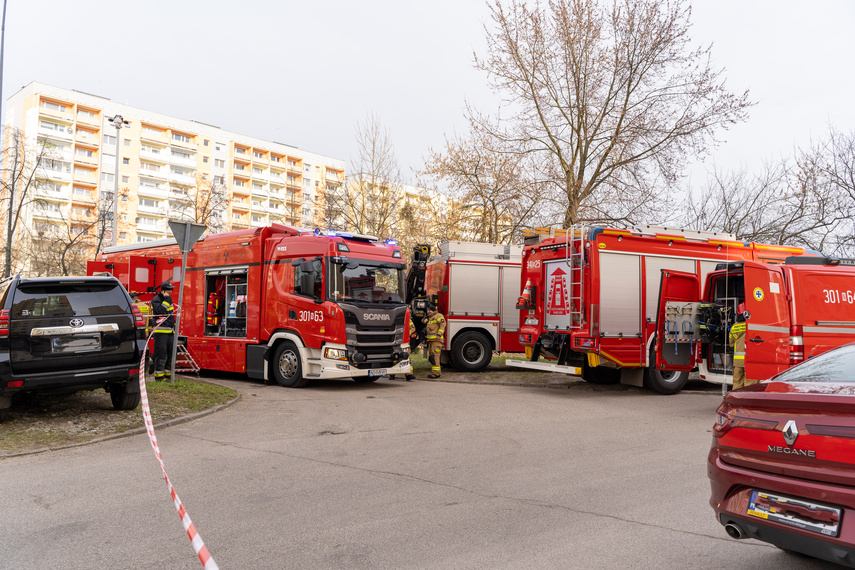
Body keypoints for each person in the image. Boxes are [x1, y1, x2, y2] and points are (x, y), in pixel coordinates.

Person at [151, 281, 176, 382]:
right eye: (169, 290)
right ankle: (159, 377)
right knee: (161, 355)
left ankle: (168, 376)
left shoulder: (168, 299)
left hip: (170, 332)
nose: (171, 291)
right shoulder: (156, 300)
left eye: (171, 289)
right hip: (161, 332)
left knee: (170, 354)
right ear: (163, 290)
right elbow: (161, 311)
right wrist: (167, 299)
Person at [729, 302, 748, 389]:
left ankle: (737, 402)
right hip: (749, 361)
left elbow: (731, 344)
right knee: (749, 386)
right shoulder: (753, 325)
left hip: (738, 362)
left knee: (737, 386)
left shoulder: (734, 327)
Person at [424, 302, 446, 379]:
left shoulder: (438, 316)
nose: (429, 311)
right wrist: (425, 319)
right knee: (432, 357)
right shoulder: (430, 318)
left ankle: (436, 373)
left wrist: (439, 334)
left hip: (436, 340)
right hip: (431, 341)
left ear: (434, 310)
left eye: (431, 310)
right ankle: (436, 372)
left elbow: (443, 325)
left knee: (435, 356)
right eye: (428, 310)